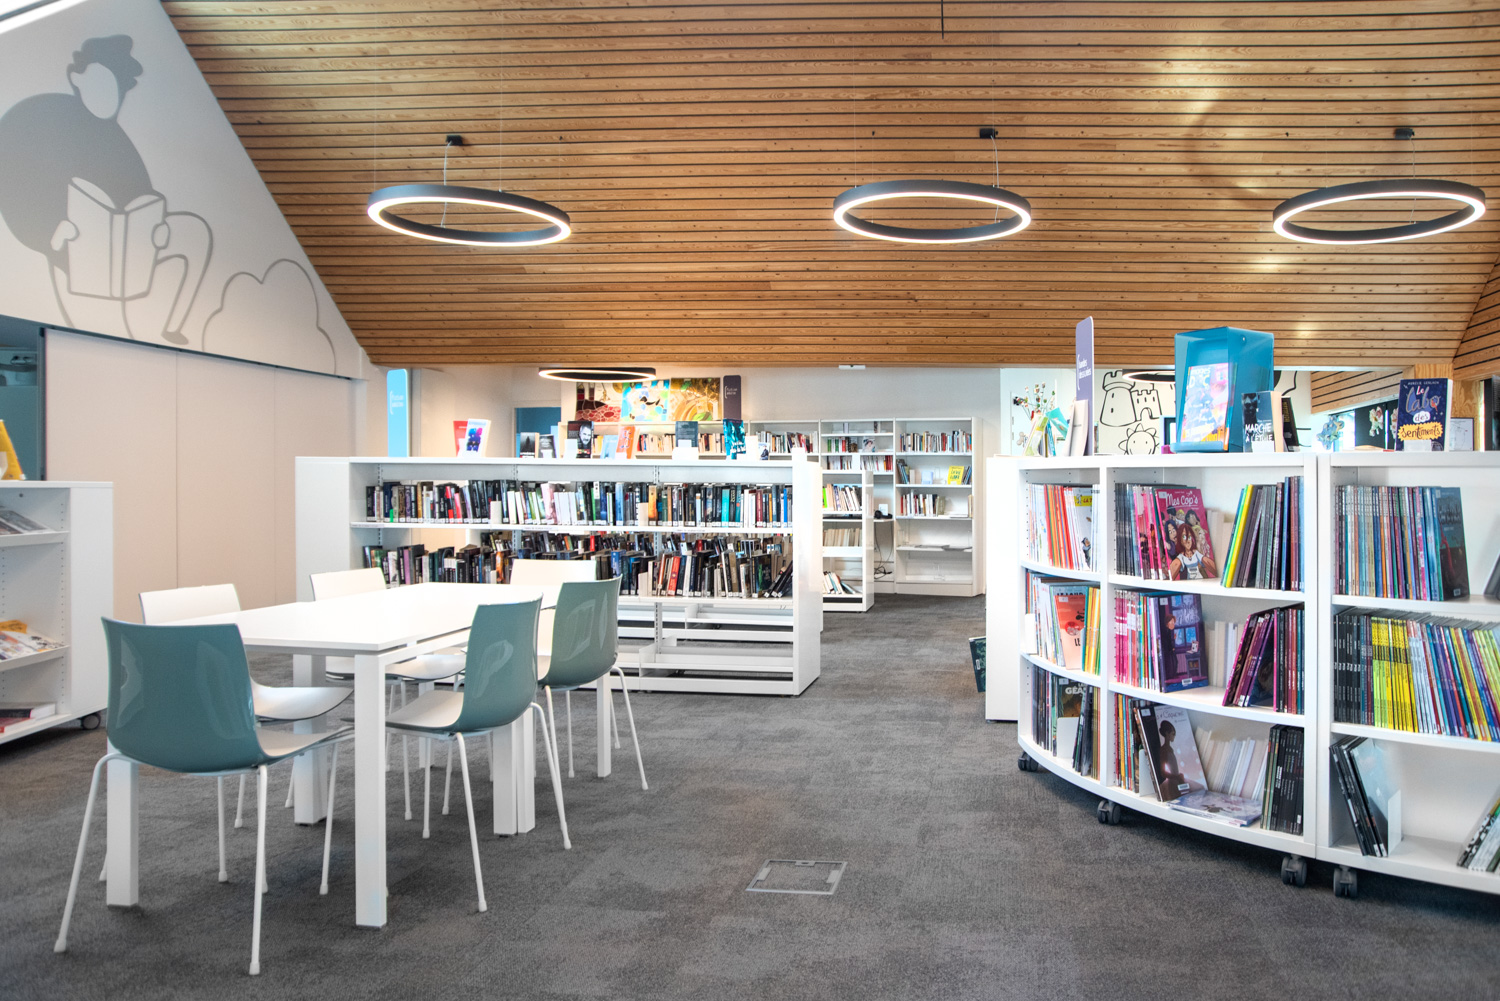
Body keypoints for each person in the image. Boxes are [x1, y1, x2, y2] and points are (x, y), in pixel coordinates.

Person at [0, 35, 210, 344]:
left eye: (117, 89)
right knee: (91, 309)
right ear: (77, 78)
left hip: (126, 241)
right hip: (72, 240)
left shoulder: (115, 137)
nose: (110, 96)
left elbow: (140, 188)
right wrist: (50, 232)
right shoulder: (43, 117)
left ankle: (171, 327)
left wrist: (155, 221)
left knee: (196, 234)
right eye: (102, 82)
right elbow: (17, 184)